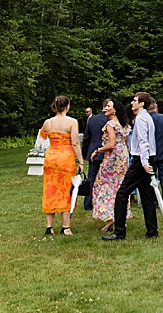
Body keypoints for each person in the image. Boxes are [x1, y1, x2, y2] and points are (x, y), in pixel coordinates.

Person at [103, 92, 159, 241]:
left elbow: (144, 142)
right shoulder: (147, 117)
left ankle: (119, 231)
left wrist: (144, 163)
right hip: (147, 158)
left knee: (122, 193)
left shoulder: (141, 119)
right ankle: (152, 230)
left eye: (135, 100)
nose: (132, 103)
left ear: (142, 104)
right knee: (147, 195)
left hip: (141, 160)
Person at [40, 96, 84, 235]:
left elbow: (43, 136)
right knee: (66, 190)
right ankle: (66, 227)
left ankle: (49, 226)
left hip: (51, 157)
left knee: (50, 189)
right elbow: (75, 143)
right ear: (67, 106)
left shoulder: (48, 122)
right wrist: (81, 161)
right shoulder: (72, 122)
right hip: (65, 158)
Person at [90, 99, 131, 232]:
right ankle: (118, 217)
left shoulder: (110, 124)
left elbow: (111, 144)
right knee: (119, 186)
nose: (105, 108)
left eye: (108, 106)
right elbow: (126, 143)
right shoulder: (124, 124)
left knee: (104, 185)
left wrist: (97, 151)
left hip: (112, 158)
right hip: (123, 157)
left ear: (115, 110)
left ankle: (111, 217)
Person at [81, 102, 109, 212]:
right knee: (106, 178)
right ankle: (104, 202)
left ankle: (87, 203)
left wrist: (84, 153)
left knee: (91, 178)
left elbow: (86, 137)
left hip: (93, 150)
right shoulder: (111, 120)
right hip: (107, 151)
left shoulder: (92, 119)